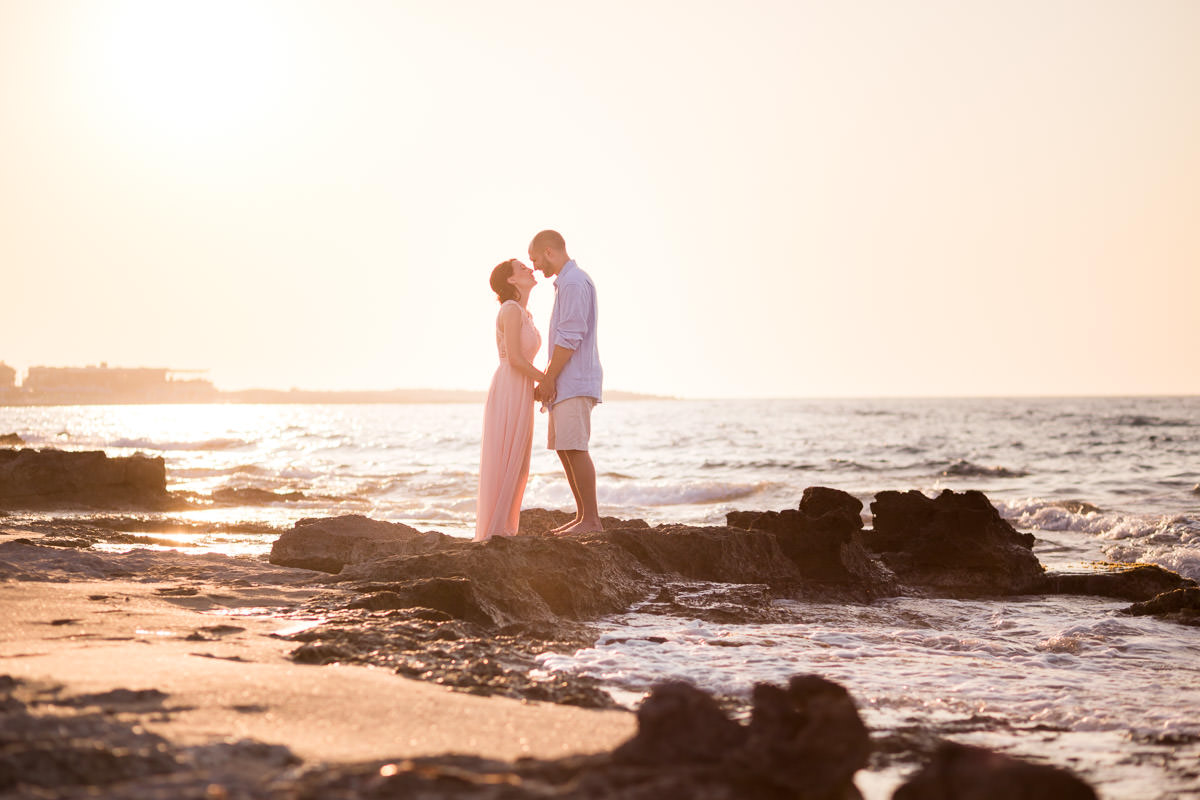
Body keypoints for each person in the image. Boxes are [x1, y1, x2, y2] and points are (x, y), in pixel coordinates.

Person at [528, 230, 604, 534]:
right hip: (567, 382)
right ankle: (583, 515)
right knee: (564, 448)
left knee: (575, 447)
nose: (534, 267)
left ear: (549, 251)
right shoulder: (566, 283)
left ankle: (591, 521)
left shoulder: (573, 282)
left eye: (535, 259)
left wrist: (548, 378)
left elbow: (570, 337)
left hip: (573, 380)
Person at [475, 259, 544, 540]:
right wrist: (547, 379)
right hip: (510, 385)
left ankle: (505, 527)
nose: (530, 269)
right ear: (512, 281)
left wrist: (537, 381)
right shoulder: (511, 310)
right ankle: (497, 530)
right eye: (522, 268)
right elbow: (515, 359)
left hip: (521, 386)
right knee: (507, 455)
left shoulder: (525, 312)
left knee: (519, 459)